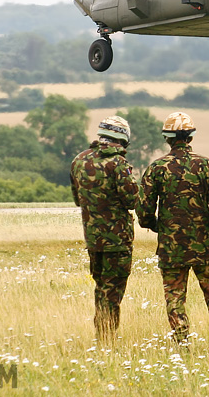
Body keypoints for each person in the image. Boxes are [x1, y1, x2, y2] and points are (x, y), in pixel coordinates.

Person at [137, 111, 209, 343]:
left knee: (174, 298)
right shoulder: (206, 165)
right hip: (206, 247)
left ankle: (181, 343)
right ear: (190, 137)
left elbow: (143, 212)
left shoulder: (156, 168)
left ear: (167, 138)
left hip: (171, 248)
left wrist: (159, 227)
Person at [70, 115, 140, 343]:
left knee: (101, 289)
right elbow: (132, 200)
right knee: (112, 293)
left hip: (93, 240)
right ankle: (106, 340)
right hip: (117, 242)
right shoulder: (118, 164)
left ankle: (103, 337)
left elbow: (77, 200)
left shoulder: (79, 160)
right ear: (123, 138)